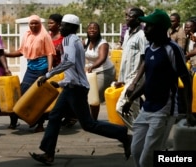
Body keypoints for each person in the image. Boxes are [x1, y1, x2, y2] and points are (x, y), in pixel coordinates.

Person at [29, 14, 132, 166]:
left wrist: (49, 74)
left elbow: (69, 62)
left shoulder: (70, 39)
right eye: (61, 24)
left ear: (73, 28)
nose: (61, 27)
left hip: (76, 89)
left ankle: (122, 134)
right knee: (55, 117)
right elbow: (74, 67)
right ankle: (48, 153)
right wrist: (62, 82)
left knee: (88, 124)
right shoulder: (72, 40)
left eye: (64, 25)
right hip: (71, 86)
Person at [122, 9, 195, 167]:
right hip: (146, 108)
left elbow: (187, 80)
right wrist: (132, 98)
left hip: (164, 110)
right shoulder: (149, 49)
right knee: (136, 150)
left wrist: (188, 111)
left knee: (147, 158)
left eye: (148, 26)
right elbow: (148, 80)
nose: (145, 29)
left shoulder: (172, 49)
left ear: (160, 29)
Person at [5, 14, 56, 131]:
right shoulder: (27, 35)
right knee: (22, 93)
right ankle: (18, 121)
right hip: (30, 68)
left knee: (38, 96)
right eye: (31, 23)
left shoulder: (45, 36)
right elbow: (21, 51)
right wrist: (5, 54)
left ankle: (40, 124)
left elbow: (49, 53)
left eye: (36, 23)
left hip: (42, 68)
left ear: (40, 24)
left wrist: (49, 69)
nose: (33, 25)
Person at [115, 8, 146, 119]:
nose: (127, 18)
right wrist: (120, 79)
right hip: (127, 77)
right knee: (135, 109)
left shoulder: (142, 36)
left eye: (130, 16)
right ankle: (141, 133)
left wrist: (134, 82)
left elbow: (145, 60)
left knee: (120, 107)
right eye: (126, 15)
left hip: (135, 78)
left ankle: (136, 132)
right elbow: (126, 58)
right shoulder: (127, 33)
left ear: (138, 19)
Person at [83, 22, 116, 120]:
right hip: (92, 72)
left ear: (99, 31)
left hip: (105, 71)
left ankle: (93, 120)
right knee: (85, 94)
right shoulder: (85, 42)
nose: (92, 30)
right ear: (87, 31)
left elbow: (102, 58)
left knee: (94, 95)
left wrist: (91, 66)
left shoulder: (103, 43)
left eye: (95, 28)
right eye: (90, 28)